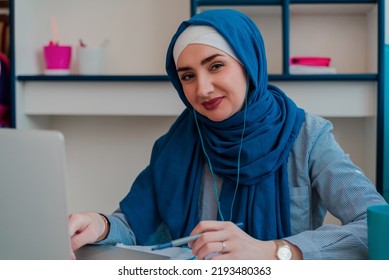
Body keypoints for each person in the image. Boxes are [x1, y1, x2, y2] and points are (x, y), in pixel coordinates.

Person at [68, 9, 387, 260]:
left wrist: (275, 251)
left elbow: (375, 229)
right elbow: (135, 223)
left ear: (248, 64)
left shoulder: (308, 136)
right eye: (188, 76)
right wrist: (100, 225)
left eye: (216, 66)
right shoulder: (177, 144)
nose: (202, 89)